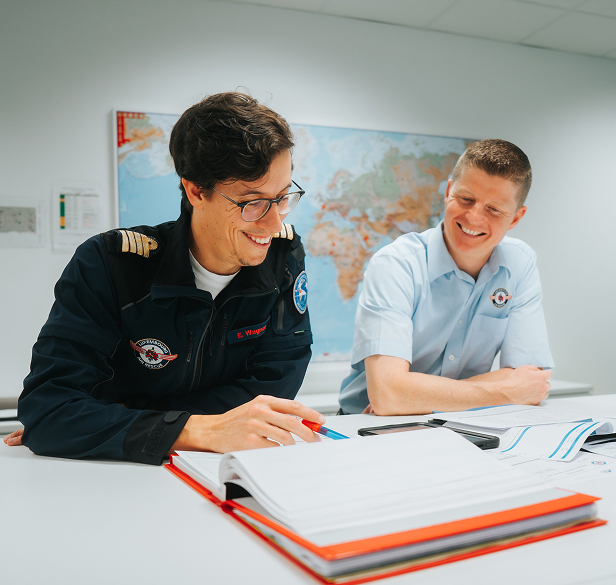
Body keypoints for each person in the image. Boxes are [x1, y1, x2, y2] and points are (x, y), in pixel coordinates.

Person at [8, 92, 324, 463]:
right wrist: (199, 430)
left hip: (222, 470)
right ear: (196, 190)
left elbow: (273, 388)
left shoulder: (283, 259)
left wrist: (119, 415)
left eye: (283, 197)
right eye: (252, 202)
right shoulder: (111, 265)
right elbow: (49, 412)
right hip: (113, 484)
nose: (274, 224)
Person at [338, 139, 553, 415]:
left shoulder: (520, 264)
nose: (474, 217)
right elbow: (388, 395)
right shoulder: (396, 265)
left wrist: (411, 396)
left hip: (461, 425)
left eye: (494, 209)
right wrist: (505, 391)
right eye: (466, 199)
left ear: (515, 219)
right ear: (449, 191)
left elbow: (532, 380)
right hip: (368, 429)